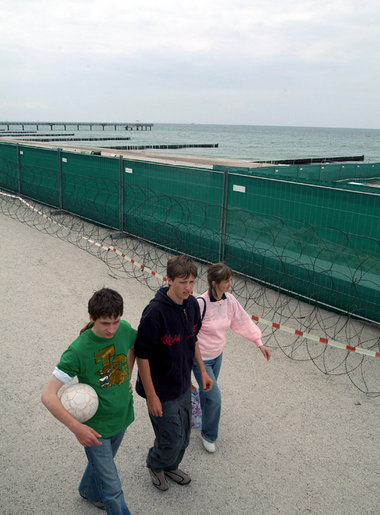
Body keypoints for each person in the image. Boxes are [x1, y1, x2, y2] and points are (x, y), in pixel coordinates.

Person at [41, 288, 136, 514]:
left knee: (104, 466)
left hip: (121, 416)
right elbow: (48, 395)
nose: (111, 329)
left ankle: (88, 490)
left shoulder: (124, 329)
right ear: (92, 318)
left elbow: (133, 346)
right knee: (112, 489)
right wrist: (76, 428)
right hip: (96, 429)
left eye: (115, 322)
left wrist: (127, 377)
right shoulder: (78, 350)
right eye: (105, 324)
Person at [134, 255, 213, 491]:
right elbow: (142, 355)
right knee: (171, 437)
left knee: (185, 436)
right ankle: (155, 464)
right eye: (182, 282)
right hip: (160, 390)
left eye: (191, 282)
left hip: (182, 384)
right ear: (169, 280)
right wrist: (151, 396)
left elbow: (193, 339)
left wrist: (202, 371)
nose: (188, 288)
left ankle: (170, 466)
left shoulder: (191, 305)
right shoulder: (155, 312)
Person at [193, 263, 271, 453]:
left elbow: (242, 320)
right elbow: (190, 335)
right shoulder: (200, 304)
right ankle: (208, 435)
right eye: (226, 281)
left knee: (208, 394)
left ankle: (198, 413)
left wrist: (258, 342)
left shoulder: (230, 301)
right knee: (215, 397)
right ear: (214, 283)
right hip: (201, 359)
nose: (230, 284)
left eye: (230, 280)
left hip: (217, 356)